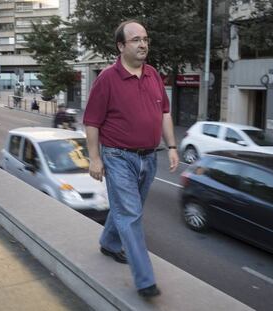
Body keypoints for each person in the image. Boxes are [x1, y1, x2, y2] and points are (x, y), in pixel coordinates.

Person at [83, 20, 179, 298]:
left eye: (145, 39)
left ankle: (109, 242)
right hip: (117, 157)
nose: (143, 44)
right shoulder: (107, 79)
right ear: (121, 46)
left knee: (126, 211)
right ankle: (145, 279)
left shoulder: (153, 75)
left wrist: (172, 146)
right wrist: (94, 158)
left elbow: (164, 113)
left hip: (149, 158)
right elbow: (91, 122)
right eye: (135, 40)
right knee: (131, 214)